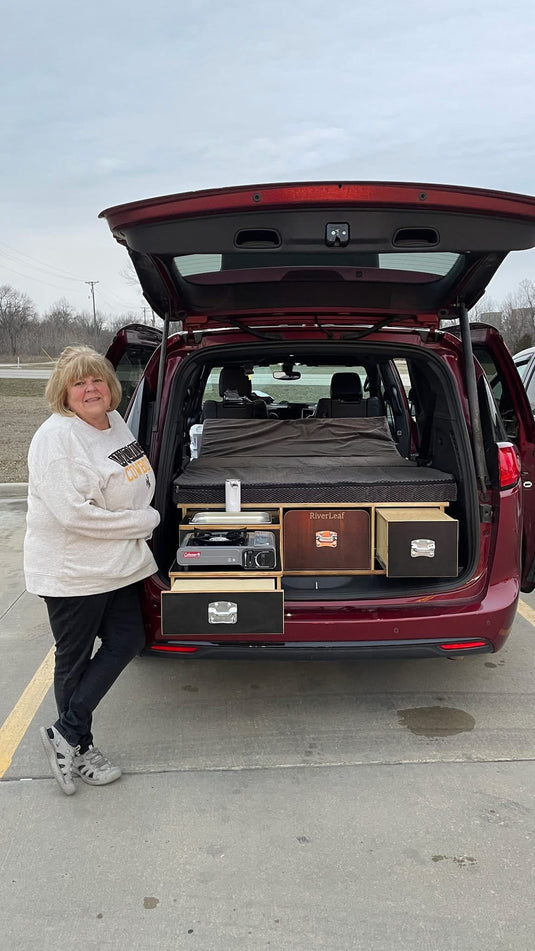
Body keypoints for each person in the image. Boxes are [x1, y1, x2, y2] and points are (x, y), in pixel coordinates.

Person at [24, 345, 160, 796]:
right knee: (74, 661)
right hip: (73, 572)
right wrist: (145, 520)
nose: (90, 389)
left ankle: (64, 734)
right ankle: (78, 746)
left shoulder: (113, 422)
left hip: (117, 564)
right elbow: (74, 515)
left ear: (111, 384)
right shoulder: (57, 439)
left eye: (97, 379)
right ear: (63, 392)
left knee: (128, 641)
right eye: (79, 383)